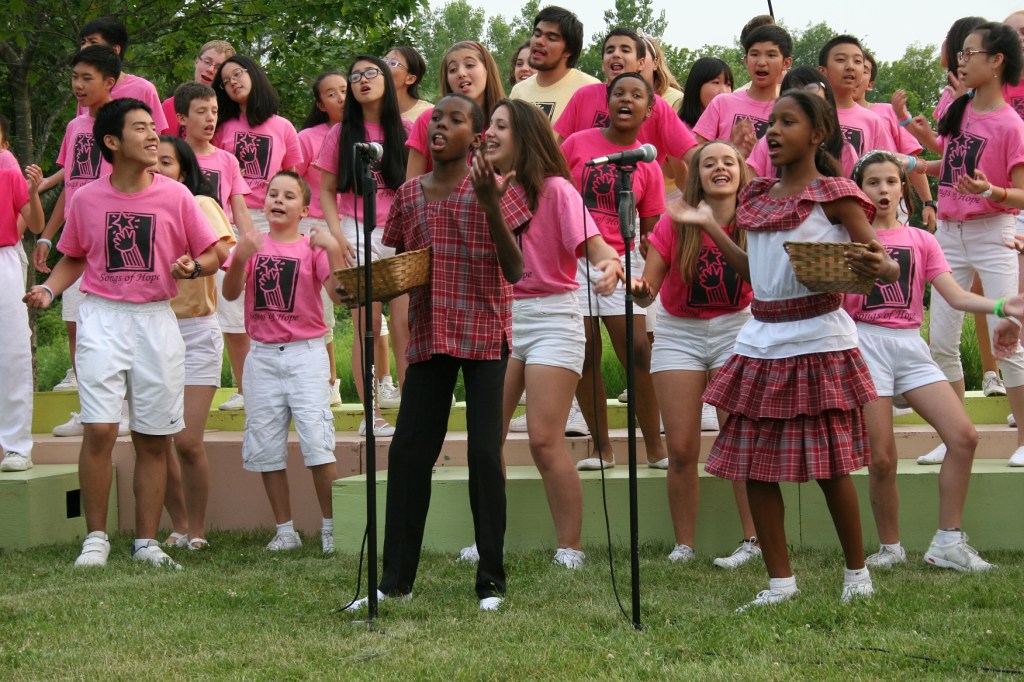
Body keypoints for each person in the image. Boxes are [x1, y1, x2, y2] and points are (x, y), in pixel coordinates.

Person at [686, 90, 898, 611]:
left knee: (830, 467)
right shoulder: (758, 194)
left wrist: (881, 266)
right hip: (761, 340)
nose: (774, 131)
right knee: (754, 466)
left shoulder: (835, 195)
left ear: (818, 134)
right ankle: (781, 583)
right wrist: (710, 226)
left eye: (788, 122)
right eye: (772, 123)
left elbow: (885, 262)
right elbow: (754, 273)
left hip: (818, 340)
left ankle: (857, 574)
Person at [345, 94, 532, 612]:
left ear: (476, 136)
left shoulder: (498, 186)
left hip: (485, 333)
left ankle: (491, 581)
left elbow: (516, 270)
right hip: (430, 334)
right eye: (435, 119)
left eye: (455, 119)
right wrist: (362, 285)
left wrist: (490, 204)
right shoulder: (409, 194)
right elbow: (403, 266)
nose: (440, 126)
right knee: (408, 454)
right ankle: (394, 581)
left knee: (483, 455)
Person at [24, 98, 221, 569]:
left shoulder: (177, 196)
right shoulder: (87, 198)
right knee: (99, 429)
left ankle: (146, 543)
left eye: (153, 127)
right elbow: (74, 256)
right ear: (112, 141)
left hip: (157, 320)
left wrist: (194, 267)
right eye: (141, 128)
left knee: (152, 437)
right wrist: (49, 290)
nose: (154, 135)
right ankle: (95, 540)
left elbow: (215, 253)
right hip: (102, 317)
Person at [847, 149, 1021, 572]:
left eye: (891, 181)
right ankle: (890, 547)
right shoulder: (845, 241)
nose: (883, 189)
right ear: (859, 190)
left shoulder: (923, 239)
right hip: (865, 346)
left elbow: (956, 295)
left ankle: (948, 542)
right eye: (873, 182)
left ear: (902, 189)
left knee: (964, 437)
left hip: (910, 346)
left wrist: (1002, 306)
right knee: (882, 458)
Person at [486, 98, 623, 567]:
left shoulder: (558, 190)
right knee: (487, 438)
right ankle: (489, 540)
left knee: (544, 440)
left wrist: (611, 266)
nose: (489, 133)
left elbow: (598, 247)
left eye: (501, 126)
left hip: (552, 318)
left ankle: (570, 547)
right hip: (501, 318)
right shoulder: (487, 191)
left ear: (525, 136)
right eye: (489, 125)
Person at [630, 141, 760, 567]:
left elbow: (762, 278)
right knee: (682, 448)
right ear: (697, 177)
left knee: (738, 440)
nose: (719, 168)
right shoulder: (675, 223)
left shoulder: (754, 220)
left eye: (728, 161)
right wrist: (636, 287)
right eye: (709, 163)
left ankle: (753, 540)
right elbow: (647, 294)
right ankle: (684, 545)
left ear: (741, 172)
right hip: (679, 332)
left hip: (737, 328)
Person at [915, 22, 1024, 466]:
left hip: (992, 232)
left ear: (996, 61)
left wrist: (990, 191)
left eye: (970, 53)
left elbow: (1020, 193)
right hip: (949, 234)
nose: (962, 61)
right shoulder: (958, 109)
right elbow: (951, 164)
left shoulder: (1011, 124)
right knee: (941, 341)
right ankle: (954, 434)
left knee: (1008, 337)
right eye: (960, 53)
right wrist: (916, 159)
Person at [221, 171, 343, 553]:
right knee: (266, 446)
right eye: (273, 193)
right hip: (261, 357)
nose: (278, 200)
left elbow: (340, 295)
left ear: (304, 210)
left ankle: (330, 528)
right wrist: (241, 257)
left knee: (317, 443)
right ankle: (285, 530)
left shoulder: (312, 248)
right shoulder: (252, 244)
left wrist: (333, 249)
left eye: (289, 196)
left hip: (306, 355)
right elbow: (229, 292)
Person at [560, 72, 667, 471]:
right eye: (618, 93)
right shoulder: (576, 144)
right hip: (573, 258)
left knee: (637, 350)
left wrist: (648, 264)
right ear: (607, 102)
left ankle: (656, 449)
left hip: (623, 259)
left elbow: (652, 229)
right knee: (586, 351)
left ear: (649, 109)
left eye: (636, 95)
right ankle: (603, 449)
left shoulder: (647, 163)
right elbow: (554, 194)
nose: (626, 99)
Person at [316, 56, 412, 437]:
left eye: (370, 73)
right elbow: (325, 189)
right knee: (366, 325)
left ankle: (412, 413)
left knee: (405, 325)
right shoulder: (340, 133)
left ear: (387, 80)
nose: (362, 80)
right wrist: (337, 235)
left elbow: (416, 185)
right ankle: (371, 415)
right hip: (356, 232)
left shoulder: (405, 130)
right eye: (355, 76)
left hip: (400, 234)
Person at [36, 46, 128, 436]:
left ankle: (125, 411)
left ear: (109, 82)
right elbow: (72, 185)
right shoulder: (75, 127)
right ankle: (91, 410)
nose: (78, 85)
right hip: (78, 239)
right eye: (75, 77)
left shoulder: (124, 123)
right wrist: (46, 236)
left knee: (117, 327)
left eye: (87, 78)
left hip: (114, 238)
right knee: (76, 325)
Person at [152, 136, 235, 550]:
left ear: (184, 171)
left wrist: (193, 267)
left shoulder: (200, 204)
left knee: (186, 440)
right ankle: (180, 524)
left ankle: (198, 530)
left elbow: (221, 254)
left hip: (197, 332)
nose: (156, 168)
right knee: (158, 439)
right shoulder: (138, 208)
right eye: (152, 161)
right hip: (152, 328)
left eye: (166, 162)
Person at [213, 55, 304, 412]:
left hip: (272, 221)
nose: (233, 82)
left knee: (275, 302)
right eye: (225, 81)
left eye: (238, 74)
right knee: (232, 307)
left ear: (253, 74)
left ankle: (285, 387)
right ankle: (244, 388)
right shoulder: (222, 125)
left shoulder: (282, 127)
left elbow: (293, 181)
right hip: (230, 221)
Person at [298, 71, 349, 406]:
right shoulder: (307, 138)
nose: (341, 97)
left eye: (344, 90)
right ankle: (329, 380)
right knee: (320, 304)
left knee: (367, 306)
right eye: (331, 93)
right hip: (314, 227)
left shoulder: (366, 132)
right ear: (320, 104)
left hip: (353, 225)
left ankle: (385, 383)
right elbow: (293, 182)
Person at [405, 41, 506, 178]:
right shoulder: (428, 120)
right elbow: (411, 186)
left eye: (470, 65)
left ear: (487, 69)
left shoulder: (509, 121)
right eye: (453, 69)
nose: (461, 73)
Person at [0, 162, 44, 473]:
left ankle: (16, 446)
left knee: (11, 352)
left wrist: (34, 191)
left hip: (3, 257)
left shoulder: (6, 166)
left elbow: (36, 223)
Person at [694, 25, 793, 158]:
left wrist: (758, 154)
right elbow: (694, 152)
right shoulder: (722, 103)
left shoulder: (788, 112)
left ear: (786, 63)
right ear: (746, 60)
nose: (761, 62)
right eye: (754, 54)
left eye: (771, 55)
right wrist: (730, 146)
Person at [746, 67, 859, 179]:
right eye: (772, 123)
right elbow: (748, 183)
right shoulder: (765, 146)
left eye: (813, 102)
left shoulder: (845, 152)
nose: (774, 130)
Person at [508, 6, 600, 125]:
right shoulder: (518, 90)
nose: (539, 41)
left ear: (569, 50)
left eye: (551, 38)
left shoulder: (590, 89)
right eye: (537, 34)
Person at [77, 16, 167, 132]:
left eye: (93, 42)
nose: (84, 47)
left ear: (115, 50)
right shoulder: (85, 89)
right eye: (83, 42)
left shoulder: (144, 89)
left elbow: (157, 137)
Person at [160, 40, 236, 136]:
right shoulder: (169, 106)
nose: (210, 69)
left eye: (218, 67)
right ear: (196, 61)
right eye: (207, 62)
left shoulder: (231, 113)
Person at [678, 58, 734, 131]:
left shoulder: (732, 128)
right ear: (696, 86)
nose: (724, 92)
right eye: (716, 82)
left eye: (728, 84)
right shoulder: (677, 130)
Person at [384, 46, 432, 124]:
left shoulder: (429, 113)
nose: (383, 67)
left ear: (410, 79)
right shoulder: (370, 111)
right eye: (383, 61)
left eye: (393, 63)